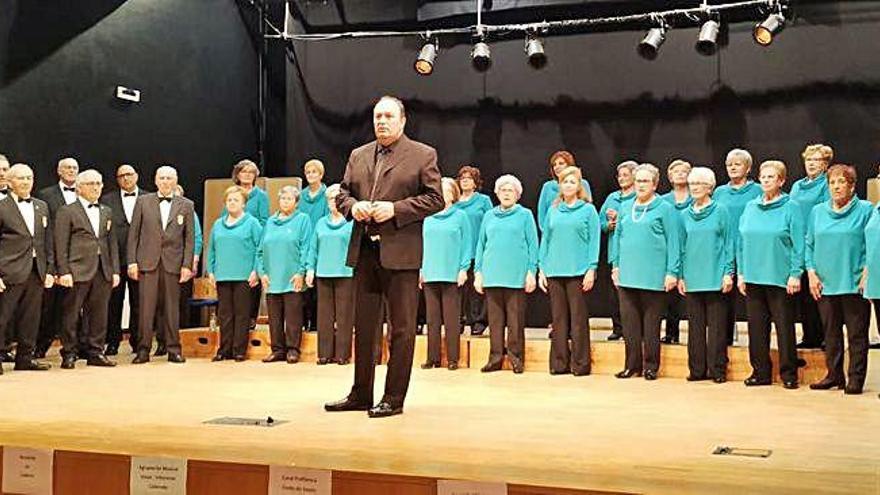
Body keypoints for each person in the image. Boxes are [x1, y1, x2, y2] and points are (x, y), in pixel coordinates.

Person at [324, 95, 443, 418]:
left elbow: (436, 199)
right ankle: (361, 393)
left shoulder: (422, 154)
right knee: (363, 326)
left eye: (389, 116)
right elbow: (343, 193)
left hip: (401, 253)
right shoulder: (358, 154)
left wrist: (395, 209)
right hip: (364, 250)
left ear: (402, 121)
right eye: (377, 116)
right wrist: (353, 207)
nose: (382, 121)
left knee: (402, 329)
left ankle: (393, 398)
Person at [806, 164, 872, 395]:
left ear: (852, 186)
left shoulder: (866, 210)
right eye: (832, 182)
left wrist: (868, 272)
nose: (836, 186)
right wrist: (811, 272)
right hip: (825, 281)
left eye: (841, 182)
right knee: (830, 333)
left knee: (856, 334)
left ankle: (856, 378)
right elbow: (809, 244)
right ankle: (834, 375)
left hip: (854, 281)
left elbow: (873, 244)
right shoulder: (817, 212)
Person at [737, 160, 803, 389]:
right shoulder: (750, 207)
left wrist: (796, 273)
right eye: (763, 177)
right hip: (753, 277)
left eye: (771, 177)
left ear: (782, 181)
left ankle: (789, 373)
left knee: (784, 328)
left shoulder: (791, 207)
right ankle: (760, 372)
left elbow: (799, 244)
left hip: (780, 277)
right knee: (756, 328)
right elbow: (740, 241)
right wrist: (742, 273)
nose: (765, 181)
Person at [610, 164, 680, 381]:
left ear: (655, 184)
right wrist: (616, 265)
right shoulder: (626, 207)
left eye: (645, 181)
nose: (640, 185)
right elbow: (618, 240)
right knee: (630, 325)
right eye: (638, 180)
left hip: (654, 276)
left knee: (651, 326)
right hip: (628, 275)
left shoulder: (665, 208)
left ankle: (651, 366)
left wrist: (672, 272)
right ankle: (632, 366)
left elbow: (674, 242)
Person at [127, 165, 195, 364]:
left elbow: (189, 238)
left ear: (176, 181)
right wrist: (132, 261)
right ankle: (143, 349)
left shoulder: (186, 205)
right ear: (156, 180)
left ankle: (174, 349)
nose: (166, 182)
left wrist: (187, 265)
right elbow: (134, 234)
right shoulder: (143, 202)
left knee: (172, 309)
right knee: (146, 309)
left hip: (173, 264)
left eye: (169, 178)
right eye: (162, 178)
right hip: (147, 262)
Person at [54, 169, 120, 369]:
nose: (96, 187)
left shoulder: (106, 211)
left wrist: (115, 270)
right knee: (71, 313)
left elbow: (112, 243)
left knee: (99, 313)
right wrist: (63, 271)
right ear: (79, 187)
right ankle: (69, 352)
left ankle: (95, 351)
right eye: (91, 183)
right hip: (76, 269)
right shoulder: (67, 211)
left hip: (103, 269)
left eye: (99, 183)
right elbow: (60, 243)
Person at [474, 174, 539, 374]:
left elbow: (532, 245)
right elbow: (481, 245)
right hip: (492, 274)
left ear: (517, 194)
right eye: (503, 190)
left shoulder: (525, 215)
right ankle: (495, 358)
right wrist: (478, 272)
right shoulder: (489, 216)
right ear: (497, 193)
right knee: (495, 321)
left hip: (516, 275)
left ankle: (515, 357)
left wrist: (531, 272)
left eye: (510, 190)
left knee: (515, 321)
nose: (506, 193)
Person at [538, 166, 599, 376]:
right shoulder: (553, 210)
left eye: (572, 182)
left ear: (579, 186)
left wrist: (592, 268)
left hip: (578, 271)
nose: (568, 185)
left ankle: (581, 364)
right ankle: (559, 363)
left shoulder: (588, 210)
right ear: (560, 186)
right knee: (558, 319)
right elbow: (545, 240)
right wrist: (541, 269)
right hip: (554, 271)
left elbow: (594, 241)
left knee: (578, 319)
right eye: (565, 182)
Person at [678, 167, 734, 383]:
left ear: (709, 187)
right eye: (692, 185)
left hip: (715, 275)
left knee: (718, 329)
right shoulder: (685, 214)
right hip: (692, 277)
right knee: (695, 328)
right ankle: (697, 370)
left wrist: (729, 272)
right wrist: (681, 275)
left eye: (699, 185)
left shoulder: (721, 211)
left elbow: (729, 243)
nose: (694, 188)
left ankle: (717, 370)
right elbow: (682, 247)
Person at [0, 164, 55, 375]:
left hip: (36, 270)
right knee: (3, 317)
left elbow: (47, 241)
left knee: (30, 317)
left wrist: (50, 270)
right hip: (9, 271)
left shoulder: (41, 206)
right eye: (21, 178)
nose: (26, 182)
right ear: (10, 182)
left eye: (29, 178)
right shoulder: (2, 206)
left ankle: (25, 357)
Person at [420, 177, 472, 371]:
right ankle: (432, 357)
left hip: (451, 273)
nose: (442, 193)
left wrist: (463, 269)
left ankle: (452, 358)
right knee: (432, 319)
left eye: (446, 190)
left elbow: (467, 245)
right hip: (430, 272)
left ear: (453, 194)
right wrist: (421, 270)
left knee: (451, 319)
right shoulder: (427, 217)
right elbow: (422, 246)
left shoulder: (460, 216)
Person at [207, 186, 263, 362]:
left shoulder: (252, 223)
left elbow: (260, 249)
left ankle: (239, 350)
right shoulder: (218, 224)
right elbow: (212, 249)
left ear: (244, 204)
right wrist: (211, 271)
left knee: (241, 314)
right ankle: (224, 349)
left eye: (236, 200)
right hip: (223, 275)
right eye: (229, 200)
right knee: (225, 315)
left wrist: (256, 271)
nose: (232, 203)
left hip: (244, 276)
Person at [257, 186, 311, 364]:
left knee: (293, 316)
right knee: (274, 317)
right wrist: (262, 273)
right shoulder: (270, 222)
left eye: (289, 199)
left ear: (296, 202)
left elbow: (305, 247)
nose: (285, 201)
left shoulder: (302, 220)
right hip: (272, 277)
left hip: (292, 276)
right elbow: (260, 250)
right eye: (282, 198)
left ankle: (293, 349)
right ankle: (277, 349)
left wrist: (300, 272)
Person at [713, 149, 762, 345]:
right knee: (724, 298)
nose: (732, 167)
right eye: (729, 164)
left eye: (737, 163)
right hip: (723, 249)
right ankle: (724, 342)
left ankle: (756, 344)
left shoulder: (758, 190)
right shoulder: (719, 192)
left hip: (749, 251)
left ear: (748, 168)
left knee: (753, 299)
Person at [35, 157, 79, 358]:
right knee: (49, 306)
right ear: (59, 171)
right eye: (67, 168)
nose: (71, 171)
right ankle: (40, 346)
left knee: (75, 306)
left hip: (79, 259)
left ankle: (75, 348)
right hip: (53, 256)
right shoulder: (46, 195)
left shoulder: (86, 192)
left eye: (74, 168)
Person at [307, 184, 355, 365]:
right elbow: (313, 247)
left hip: (345, 272)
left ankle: (343, 354)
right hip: (324, 272)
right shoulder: (320, 223)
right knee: (324, 315)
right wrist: (310, 268)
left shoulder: (351, 222)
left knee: (344, 315)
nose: (333, 202)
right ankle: (324, 354)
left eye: (337, 198)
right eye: (330, 199)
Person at [791, 144, 832, 350]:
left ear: (825, 164)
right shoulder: (797, 186)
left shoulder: (827, 185)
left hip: (817, 243)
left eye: (816, 160)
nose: (811, 164)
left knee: (819, 294)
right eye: (809, 160)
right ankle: (809, 336)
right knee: (803, 297)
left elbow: (825, 213)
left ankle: (826, 336)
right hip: (797, 243)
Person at [102, 164, 146, 355]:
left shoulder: (148, 198)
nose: (126, 178)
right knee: (114, 302)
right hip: (116, 258)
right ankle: (113, 341)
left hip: (141, 258)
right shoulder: (107, 200)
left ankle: (138, 341)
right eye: (122, 176)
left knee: (139, 302)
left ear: (136, 176)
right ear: (117, 179)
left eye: (129, 174)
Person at [598, 160, 637, 341]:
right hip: (615, 250)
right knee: (615, 294)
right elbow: (599, 223)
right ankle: (618, 328)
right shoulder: (612, 198)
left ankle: (634, 329)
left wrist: (620, 218)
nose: (621, 178)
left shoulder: (639, 196)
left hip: (634, 252)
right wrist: (609, 224)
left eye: (625, 175)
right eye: (619, 175)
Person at [230, 159, 269, 332]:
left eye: (250, 172)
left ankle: (251, 319)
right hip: (234, 246)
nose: (246, 175)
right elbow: (226, 217)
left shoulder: (261, 196)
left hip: (253, 243)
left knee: (252, 283)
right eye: (243, 172)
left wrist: (248, 229)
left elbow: (264, 220)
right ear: (237, 174)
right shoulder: (231, 194)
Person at [455, 165, 493, 336]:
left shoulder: (483, 200)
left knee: (477, 288)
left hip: (477, 248)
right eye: (462, 178)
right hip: (457, 250)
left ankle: (479, 321)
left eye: (469, 178)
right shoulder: (454, 201)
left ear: (475, 182)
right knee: (458, 288)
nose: (465, 181)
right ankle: (459, 320)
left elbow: (491, 222)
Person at [660, 159, 692, 345]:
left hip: (691, 249)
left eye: (684, 171)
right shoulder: (663, 201)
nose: (680, 174)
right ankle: (671, 333)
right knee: (670, 296)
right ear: (670, 176)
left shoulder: (695, 199)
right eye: (676, 171)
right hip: (669, 251)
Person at [297, 159, 330, 334]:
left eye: (314, 172)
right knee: (303, 289)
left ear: (321, 174)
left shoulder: (326, 195)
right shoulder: (301, 196)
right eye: (308, 172)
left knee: (318, 288)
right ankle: (304, 323)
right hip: (303, 243)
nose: (310, 175)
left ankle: (317, 324)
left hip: (320, 243)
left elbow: (326, 219)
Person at [537, 151, 593, 231]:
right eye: (554, 165)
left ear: (569, 165)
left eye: (561, 163)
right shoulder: (547, 187)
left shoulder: (583, 184)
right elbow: (542, 215)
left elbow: (588, 212)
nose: (557, 167)